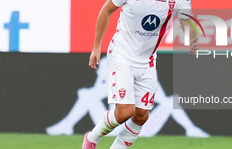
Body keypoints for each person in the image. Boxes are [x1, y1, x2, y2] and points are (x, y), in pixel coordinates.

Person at [79, 0, 199, 149]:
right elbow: (105, 11)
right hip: (121, 55)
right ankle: (91, 138)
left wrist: (192, 39)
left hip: (147, 61)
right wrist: (96, 46)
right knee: (125, 111)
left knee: (142, 115)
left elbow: (187, 22)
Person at [46, 56, 209, 137]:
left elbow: (159, 96)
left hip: (142, 125)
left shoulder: (144, 67)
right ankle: (66, 125)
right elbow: (95, 91)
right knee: (87, 96)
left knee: (170, 101)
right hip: (113, 127)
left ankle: (191, 129)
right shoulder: (109, 71)